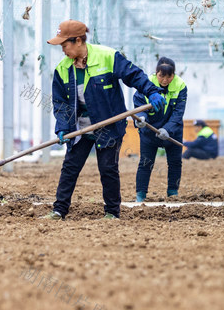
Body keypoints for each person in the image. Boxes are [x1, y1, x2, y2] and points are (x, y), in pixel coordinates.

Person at [44, 19, 164, 220]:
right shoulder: (62, 69)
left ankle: (111, 213)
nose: (62, 50)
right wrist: (63, 127)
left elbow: (133, 75)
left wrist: (151, 91)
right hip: (79, 126)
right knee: (70, 168)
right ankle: (59, 210)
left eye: (65, 45)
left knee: (108, 168)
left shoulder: (108, 56)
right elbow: (60, 103)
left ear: (79, 41)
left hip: (108, 123)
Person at [132, 57, 187, 203]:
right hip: (149, 131)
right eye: (161, 75)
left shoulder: (180, 86)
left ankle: (173, 193)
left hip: (172, 131)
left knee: (175, 162)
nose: (165, 80)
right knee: (145, 162)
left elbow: (178, 113)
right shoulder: (146, 85)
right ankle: (141, 195)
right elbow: (138, 104)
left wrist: (167, 129)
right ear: (156, 73)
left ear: (173, 75)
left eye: (169, 76)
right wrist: (141, 119)